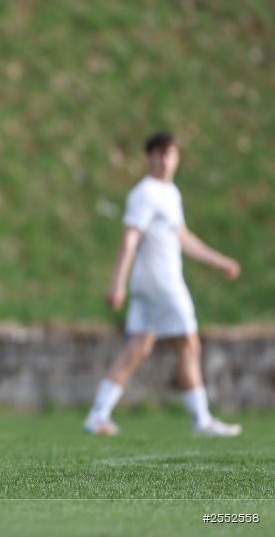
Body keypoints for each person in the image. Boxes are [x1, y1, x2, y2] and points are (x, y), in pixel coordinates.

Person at [83, 132, 242, 437]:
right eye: (157, 153)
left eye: (168, 153)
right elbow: (129, 240)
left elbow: (181, 236)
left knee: (138, 347)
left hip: (152, 284)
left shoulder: (170, 193)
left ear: (177, 157)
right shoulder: (144, 193)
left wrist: (218, 260)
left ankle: (97, 415)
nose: (164, 159)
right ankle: (202, 420)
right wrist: (117, 284)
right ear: (149, 158)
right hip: (162, 282)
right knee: (188, 344)